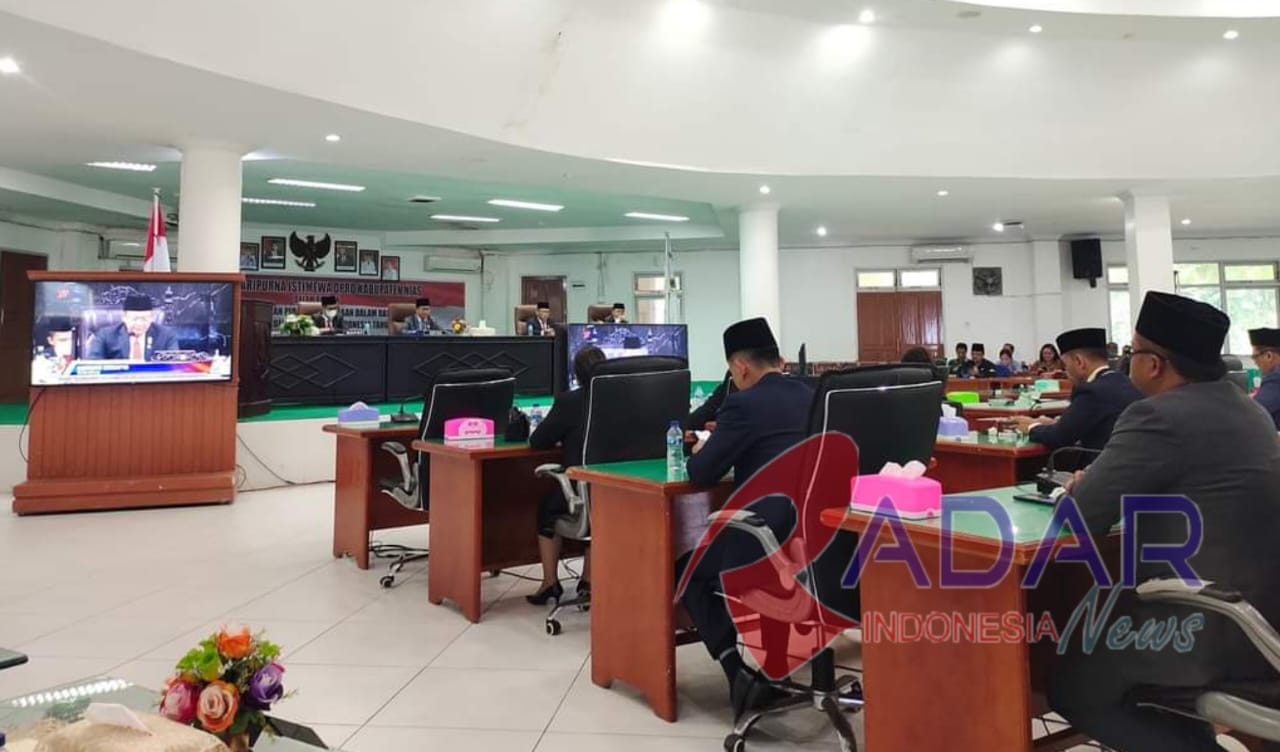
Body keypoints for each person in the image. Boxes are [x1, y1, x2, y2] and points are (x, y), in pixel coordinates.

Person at [1050, 292, 1280, 752]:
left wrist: (1079, 487)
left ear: (1154, 365)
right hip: (1263, 618)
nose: (1125, 362)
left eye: (1131, 352)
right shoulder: (1249, 409)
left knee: (1073, 683)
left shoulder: (1156, 415)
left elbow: (1082, 516)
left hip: (1209, 629)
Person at [679, 317, 814, 715]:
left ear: (739, 367)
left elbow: (702, 473)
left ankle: (739, 676)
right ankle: (773, 667)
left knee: (688, 572)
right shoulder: (813, 395)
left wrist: (700, 449)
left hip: (766, 542)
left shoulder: (744, 403)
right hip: (816, 546)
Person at [525, 346, 607, 606]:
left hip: (581, 492)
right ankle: (589, 581)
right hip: (615, 490)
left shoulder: (569, 402)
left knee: (546, 509)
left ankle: (550, 582)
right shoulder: (621, 400)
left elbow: (538, 441)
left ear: (576, 374)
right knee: (598, 513)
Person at [1011, 327, 1142, 456]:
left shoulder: (1091, 391)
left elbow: (1058, 437)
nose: (1066, 372)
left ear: (1079, 362)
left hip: (1099, 465)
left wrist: (1030, 427)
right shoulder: (1125, 381)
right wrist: (1055, 424)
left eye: (1065, 365)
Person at [87, 295, 178, 360]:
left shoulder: (166, 335)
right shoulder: (106, 335)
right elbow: (93, 363)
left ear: (152, 318)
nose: (139, 323)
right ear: (124, 318)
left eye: (144, 319)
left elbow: (175, 365)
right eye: (135, 319)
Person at [1249, 327, 1280, 429]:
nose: (1255, 362)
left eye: (1255, 357)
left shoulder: (1276, 379)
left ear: (1268, 356)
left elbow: (1252, 412)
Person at [32, 315, 77, 381]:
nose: (69, 343)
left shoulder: (82, 356)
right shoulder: (40, 363)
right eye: (63, 340)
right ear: (51, 340)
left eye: (72, 339)